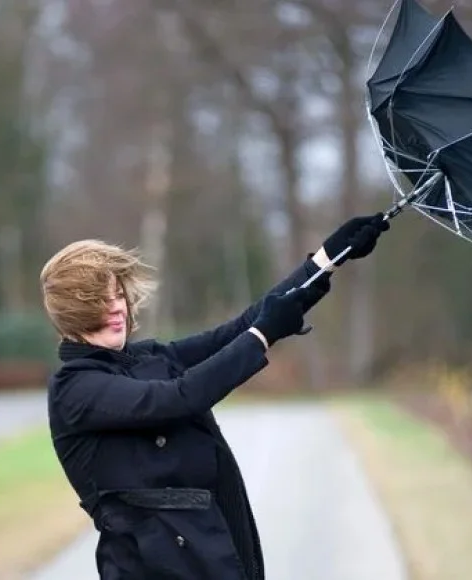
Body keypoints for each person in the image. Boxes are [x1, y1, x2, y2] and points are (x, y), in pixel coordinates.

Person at [41, 213, 389, 580]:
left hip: (215, 553)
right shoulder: (75, 388)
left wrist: (325, 261)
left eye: (118, 294)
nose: (117, 308)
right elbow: (178, 398)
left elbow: (238, 330)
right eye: (99, 300)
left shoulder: (148, 357)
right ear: (72, 313)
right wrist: (262, 336)